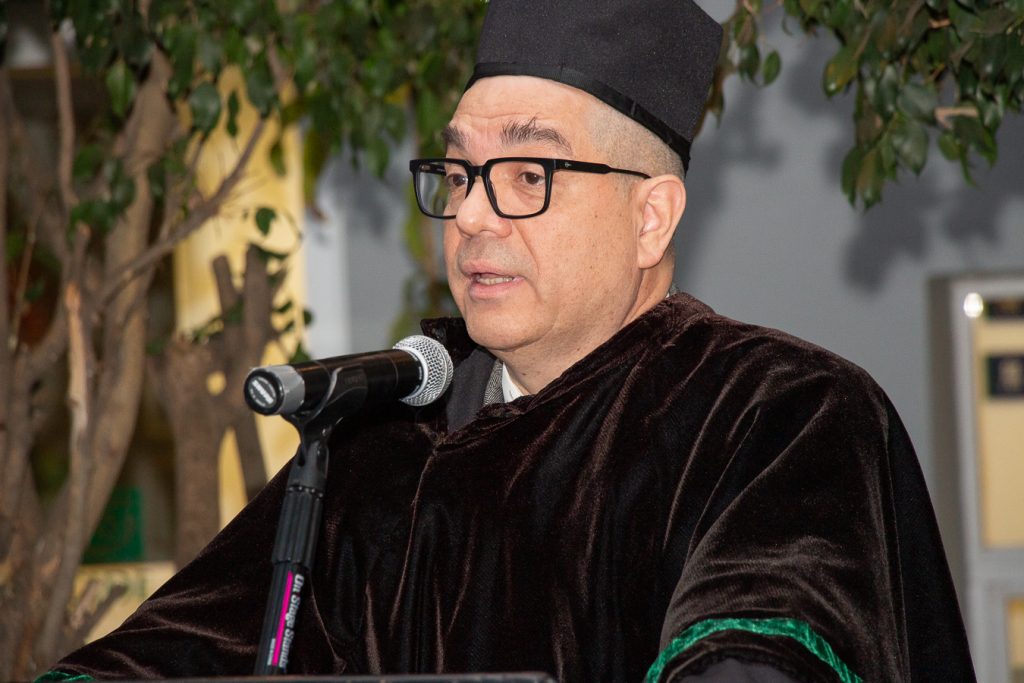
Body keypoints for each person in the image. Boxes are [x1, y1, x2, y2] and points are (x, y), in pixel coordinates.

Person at [42, 0, 975, 681]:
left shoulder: (777, 412)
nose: (473, 218)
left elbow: (757, 646)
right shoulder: (383, 443)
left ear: (651, 218)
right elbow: (181, 648)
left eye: (528, 174)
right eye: (459, 174)